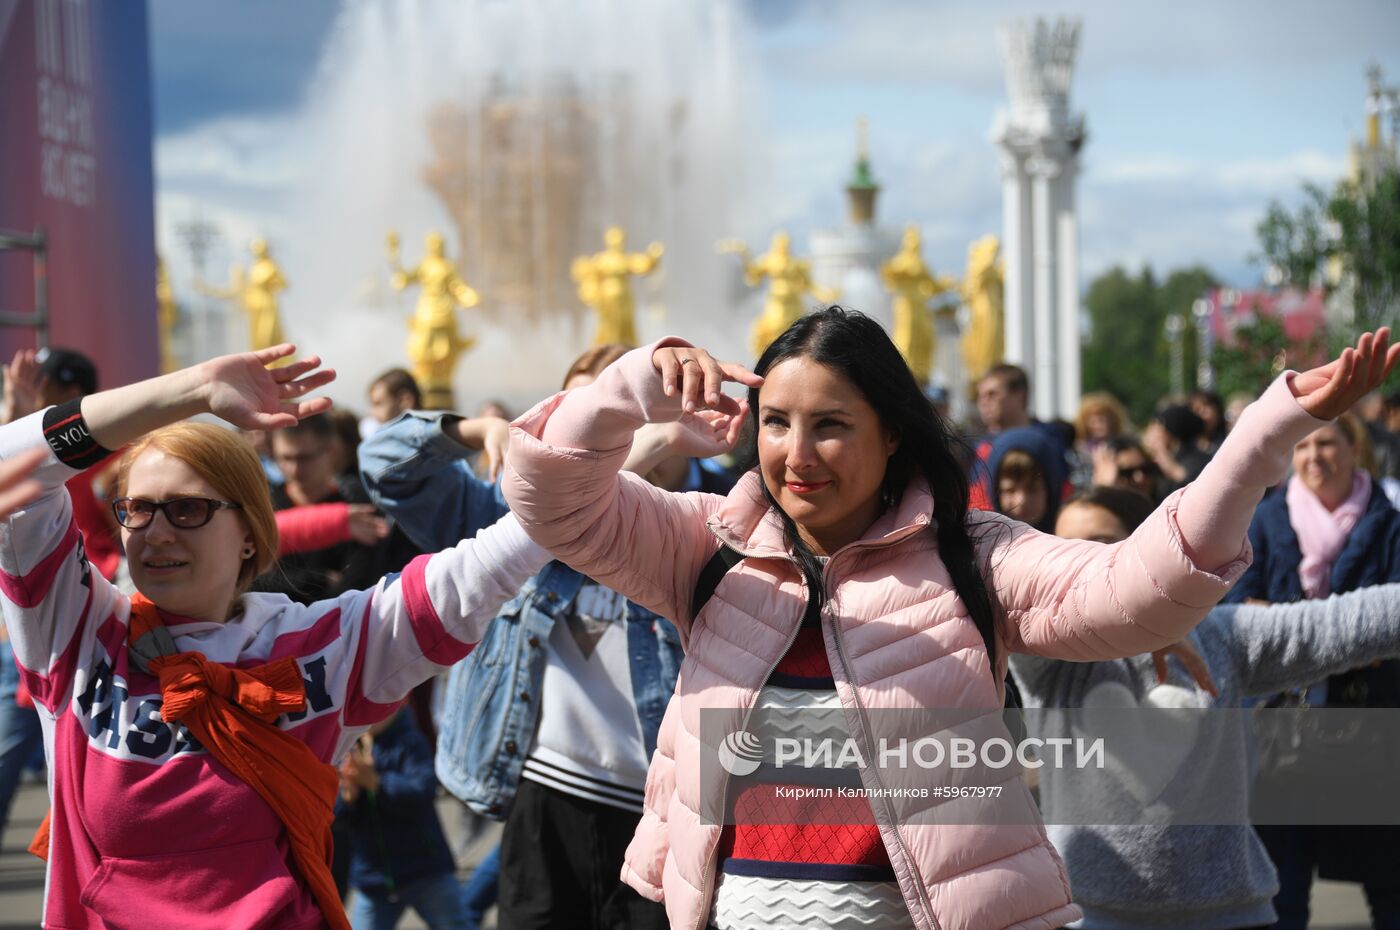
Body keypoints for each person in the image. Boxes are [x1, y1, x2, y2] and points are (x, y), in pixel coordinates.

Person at [499, 306, 1394, 930]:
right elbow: (553, 504)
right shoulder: (706, 544)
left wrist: (1263, 435)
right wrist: (627, 389)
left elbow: (1140, 590)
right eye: (776, 423)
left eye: (830, 426)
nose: (796, 455)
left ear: (892, 432)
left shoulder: (975, 553)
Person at [0, 343, 552, 930]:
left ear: (249, 533)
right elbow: (14, 460)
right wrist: (193, 389)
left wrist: (586, 463)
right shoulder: (77, 631)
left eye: (186, 509)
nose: (155, 533)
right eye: (136, 510)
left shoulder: (319, 643)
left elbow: (485, 566)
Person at [359, 342, 738, 930]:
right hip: (545, 798)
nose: (599, 424)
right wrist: (476, 427)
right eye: (582, 408)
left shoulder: (721, 517)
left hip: (664, 811)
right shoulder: (504, 506)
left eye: (619, 404)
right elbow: (382, 462)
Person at [1013, 485, 1400, 930]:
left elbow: (1342, 623)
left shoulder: (1221, 636)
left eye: (1100, 546)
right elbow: (991, 594)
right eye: (1067, 549)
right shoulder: (1049, 654)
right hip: (1086, 915)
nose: (1081, 565)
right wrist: (1136, 625)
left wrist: (1164, 619)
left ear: (1147, 552)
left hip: (1231, 916)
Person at [1224, 411, 1400, 930]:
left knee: (1390, 889)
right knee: (1280, 893)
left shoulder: (1389, 523)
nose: (1313, 457)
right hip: (1280, 733)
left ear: (1353, 449)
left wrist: (1284, 629)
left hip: (1371, 732)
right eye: (1301, 448)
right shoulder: (1264, 519)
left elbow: (1392, 626)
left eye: (1325, 444)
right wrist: (1345, 631)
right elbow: (1235, 611)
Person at [336, 708, 465, 930]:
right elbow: (335, 819)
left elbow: (423, 792)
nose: (370, 719)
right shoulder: (348, 750)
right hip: (373, 877)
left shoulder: (409, 742)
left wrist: (377, 783)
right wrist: (348, 798)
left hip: (424, 868)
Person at [983, 426, 1068, 532]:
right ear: (994, 491)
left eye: (1032, 489)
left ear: (1051, 489)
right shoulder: (984, 545)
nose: (1021, 501)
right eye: (1010, 490)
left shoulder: (1068, 539)